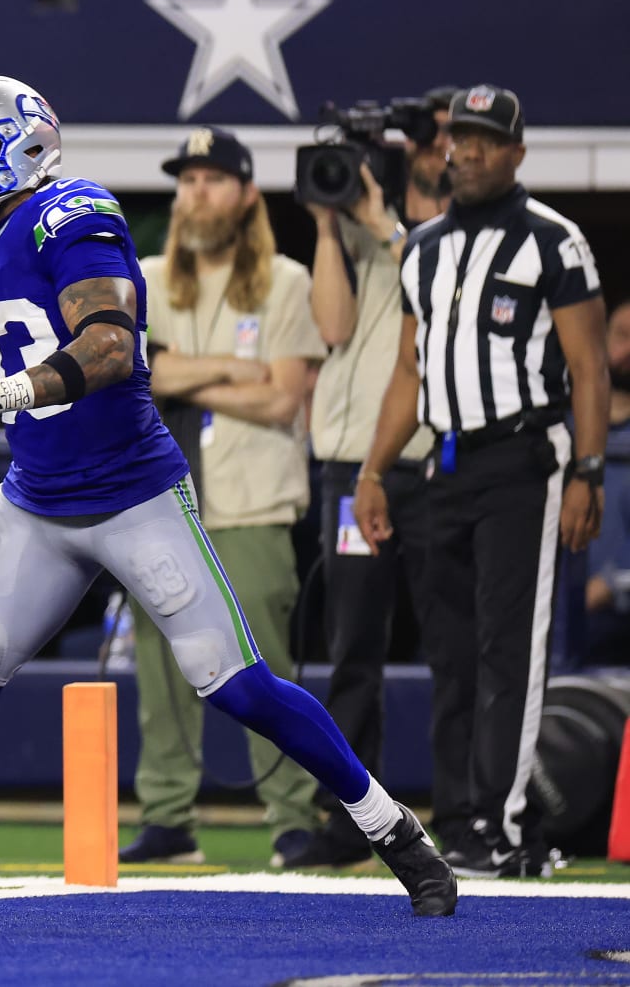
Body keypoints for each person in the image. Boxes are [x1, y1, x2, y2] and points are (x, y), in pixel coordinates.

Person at [0, 75, 455, 916]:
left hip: (133, 495)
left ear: (27, 143)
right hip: (38, 500)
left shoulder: (74, 214)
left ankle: (393, 829)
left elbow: (111, 347)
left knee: (237, 685)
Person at [355, 84, 610, 879]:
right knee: (452, 653)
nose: (465, 152)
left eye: (484, 140)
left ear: (516, 153)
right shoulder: (423, 246)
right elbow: (408, 369)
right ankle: (459, 815)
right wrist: (371, 470)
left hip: (523, 460)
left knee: (509, 649)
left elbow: (590, 367)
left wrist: (588, 472)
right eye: (456, 139)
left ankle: (503, 823)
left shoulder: (553, 241)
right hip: (444, 460)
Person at [126, 128, 327, 868]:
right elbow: (135, 374)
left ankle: (291, 818)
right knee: (158, 659)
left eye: (213, 178)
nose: (196, 192)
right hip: (163, 500)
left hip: (254, 499)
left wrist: (180, 370)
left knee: (263, 665)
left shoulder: (287, 278)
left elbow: (282, 401)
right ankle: (168, 815)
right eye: (187, 179)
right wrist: (234, 369)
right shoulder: (144, 276)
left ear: (246, 193)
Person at [295, 93, 457, 867]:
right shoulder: (361, 232)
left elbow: (437, 275)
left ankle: (464, 811)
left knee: (454, 641)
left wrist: (386, 223)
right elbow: (331, 328)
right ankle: (353, 818)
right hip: (349, 464)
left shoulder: (465, 223)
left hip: (433, 460)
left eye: (439, 141)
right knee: (351, 645)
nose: (431, 152)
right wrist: (332, 223)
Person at [582, 299, 630, 664]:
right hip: (567, 622)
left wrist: (612, 585)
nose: (627, 350)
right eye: (622, 336)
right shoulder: (567, 432)